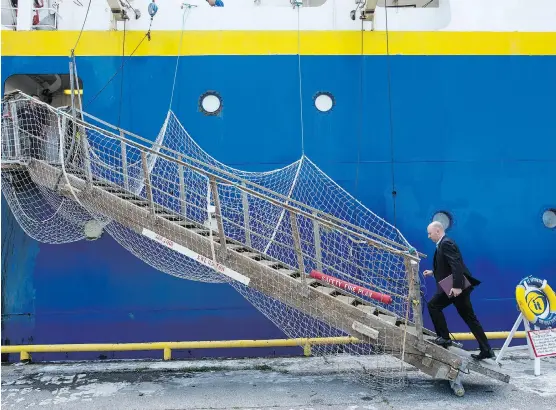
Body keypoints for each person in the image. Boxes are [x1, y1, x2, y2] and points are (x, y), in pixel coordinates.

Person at [423, 221, 495, 360]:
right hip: (454, 285)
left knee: (433, 305)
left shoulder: (446, 243)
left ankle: (444, 338)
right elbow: (447, 265)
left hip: (455, 286)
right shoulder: (443, 243)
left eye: (430, 233)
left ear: (438, 231)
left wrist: (456, 287)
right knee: (469, 318)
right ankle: (486, 350)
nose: (428, 236)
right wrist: (433, 272)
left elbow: (456, 265)